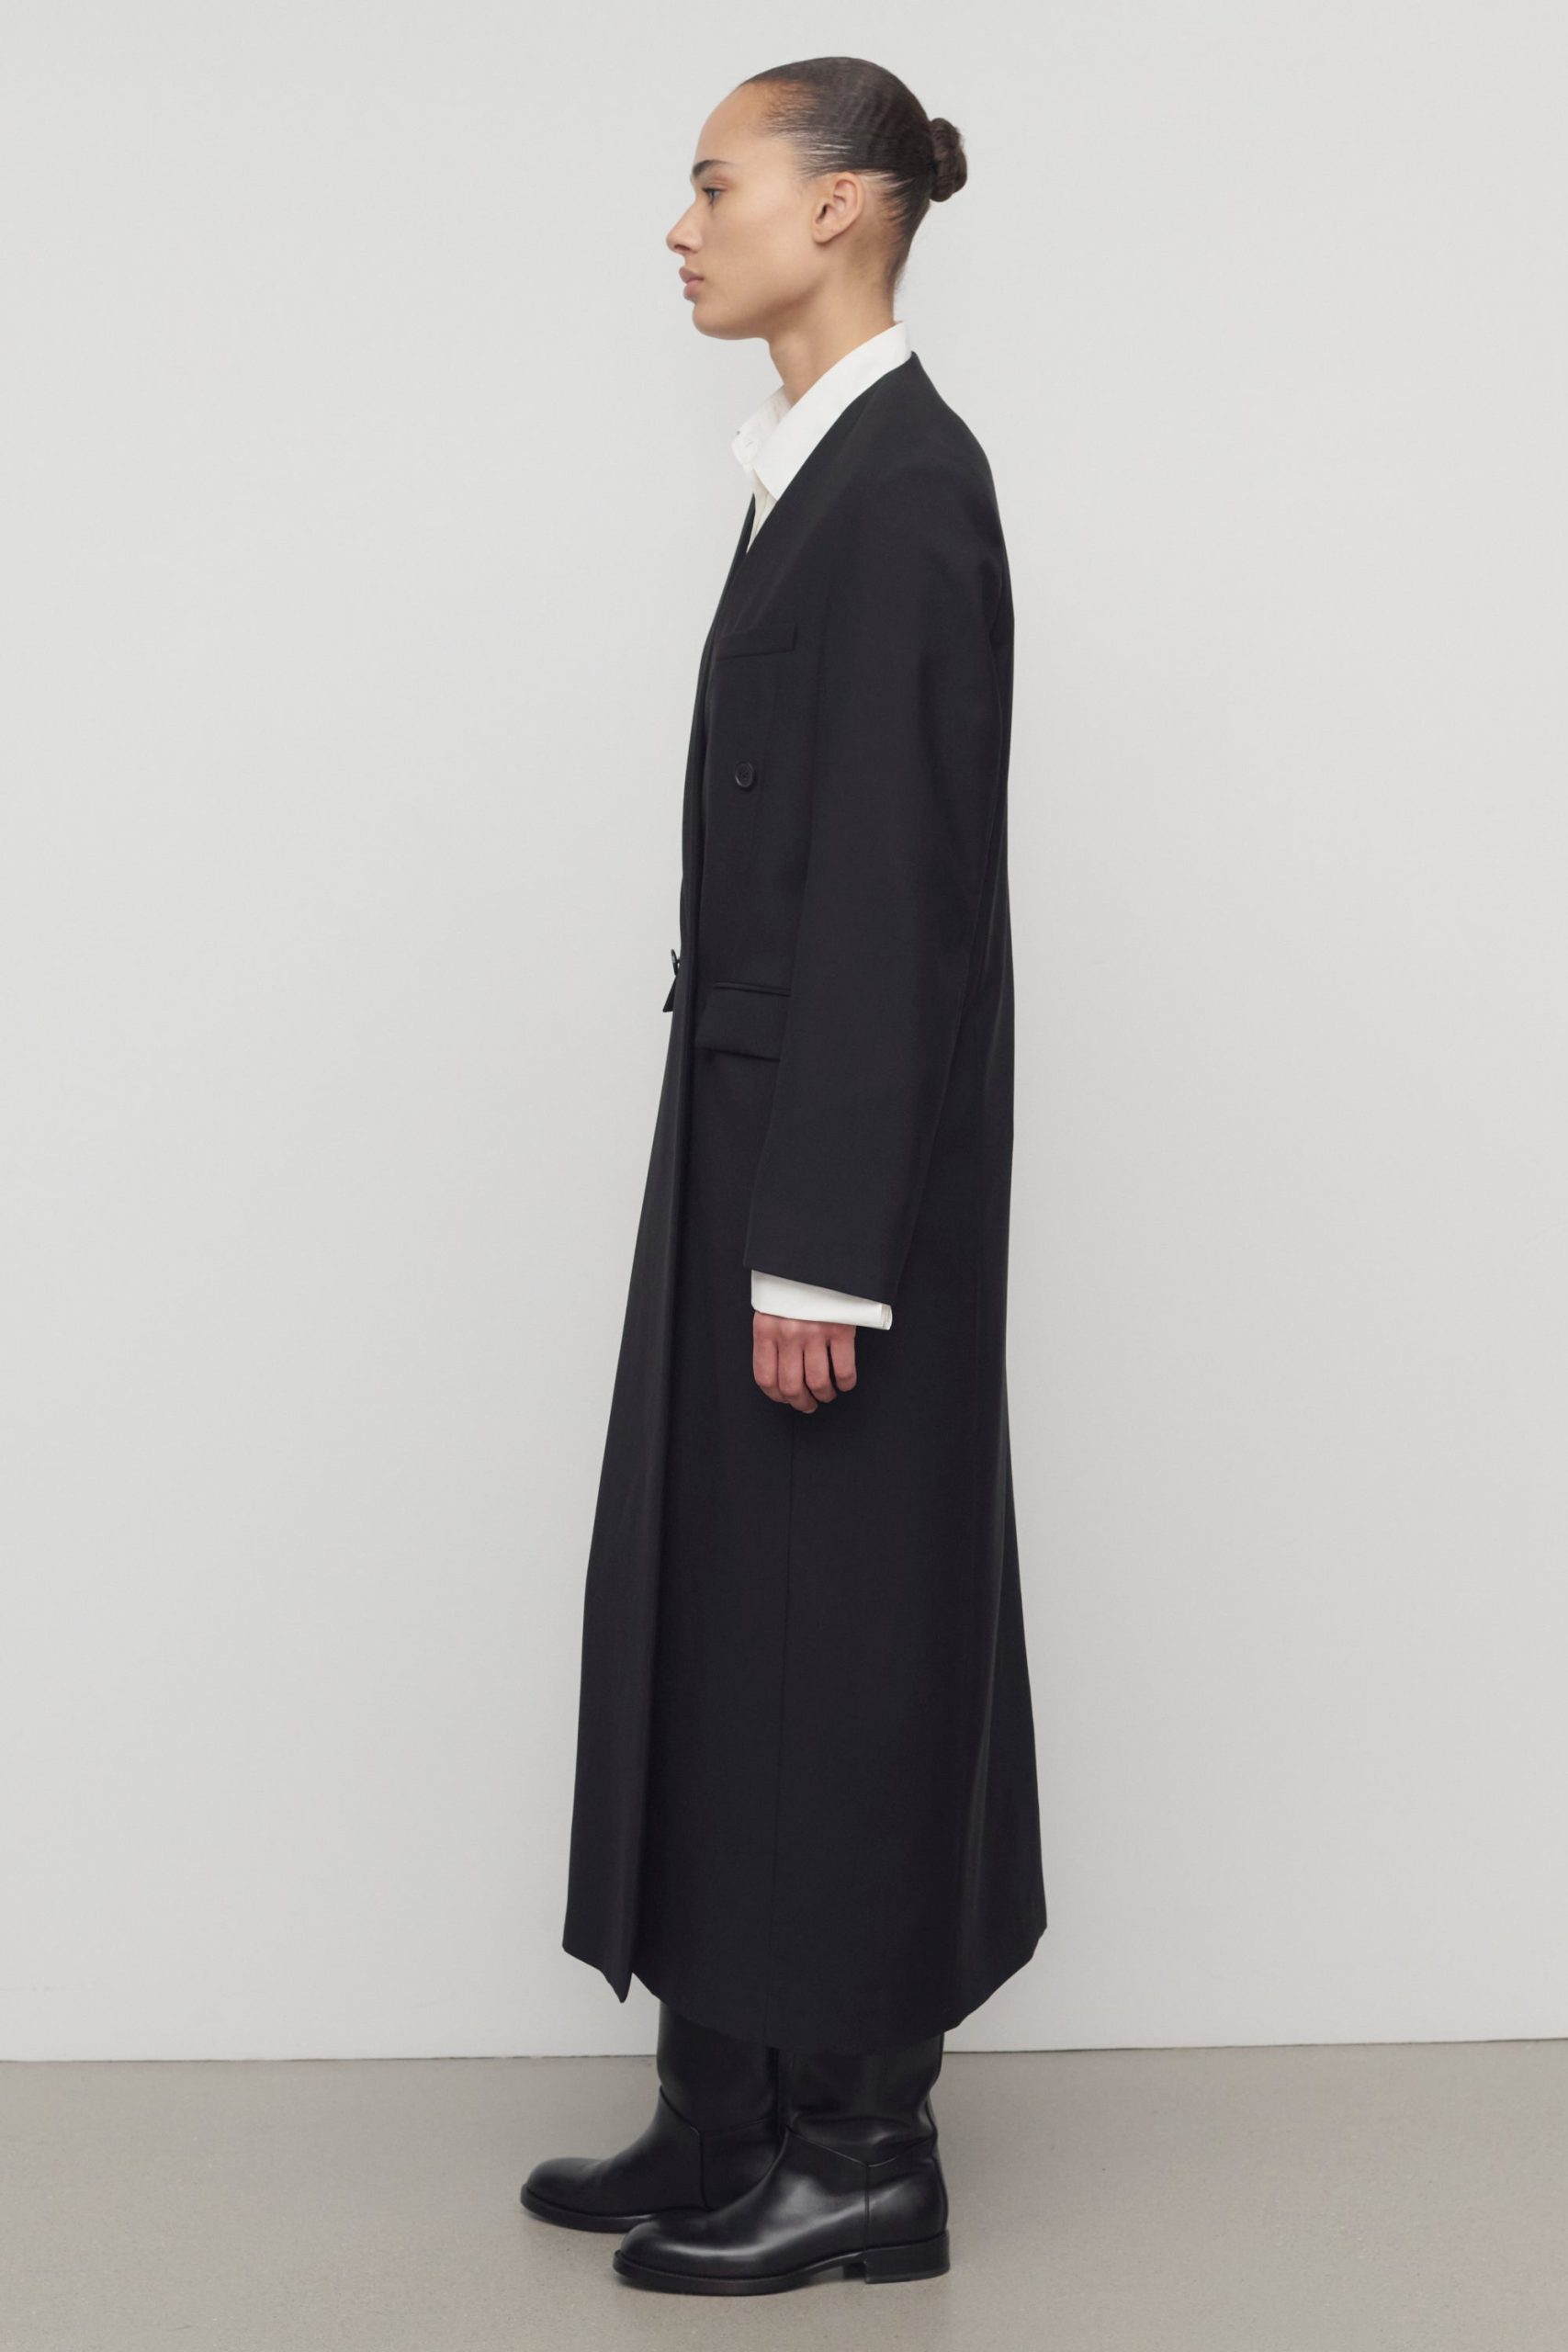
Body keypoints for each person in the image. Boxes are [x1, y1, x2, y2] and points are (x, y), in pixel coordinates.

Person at [523, 56, 1047, 2295]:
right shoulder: (807, 468)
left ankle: (859, 2146)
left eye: (713, 182)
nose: (681, 225)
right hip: (744, 1130)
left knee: (832, 1632)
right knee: (725, 1605)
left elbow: (896, 895)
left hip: (829, 1181)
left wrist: (823, 1245)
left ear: (836, 207)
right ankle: (723, 2094)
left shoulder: (906, 488)